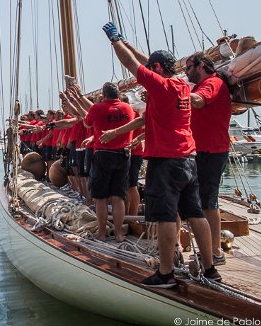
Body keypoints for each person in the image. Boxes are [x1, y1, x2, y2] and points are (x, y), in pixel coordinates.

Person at [102, 21, 220, 287]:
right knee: (196, 212)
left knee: (167, 216)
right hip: (188, 159)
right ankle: (211, 268)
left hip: (165, 161)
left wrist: (115, 41)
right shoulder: (182, 86)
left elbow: (133, 65)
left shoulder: (161, 87)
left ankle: (165, 273)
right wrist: (129, 43)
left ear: (156, 70)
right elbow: (149, 64)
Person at [187, 52, 232, 266]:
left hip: (211, 151)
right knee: (200, 200)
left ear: (202, 65)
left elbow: (197, 102)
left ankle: (214, 252)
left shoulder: (212, 83)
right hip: (202, 150)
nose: (186, 73)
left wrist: (174, 91)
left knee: (208, 201)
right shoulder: (198, 86)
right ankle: (209, 249)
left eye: (189, 68)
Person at [83, 82, 135, 242]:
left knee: (101, 198)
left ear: (103, 95)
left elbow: (86, 123)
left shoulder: (96, 108)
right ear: (118, 94)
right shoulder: (128, 108)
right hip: (123, 155)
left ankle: (102, 234)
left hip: (103, 155)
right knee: (118, 197)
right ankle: (119, 234)